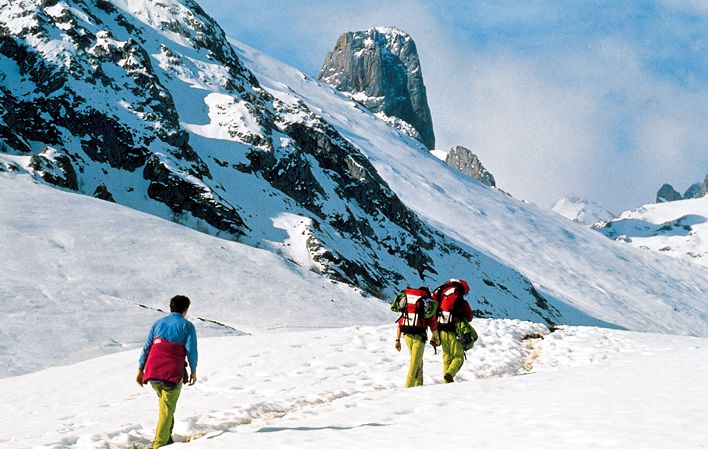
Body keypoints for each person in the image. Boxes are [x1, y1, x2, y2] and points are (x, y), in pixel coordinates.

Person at [136, 295, 198, 448]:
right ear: (186, 309)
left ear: (171, 307)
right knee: (167, 409)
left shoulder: (158, 323)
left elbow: (147, 347)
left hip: (152, 372)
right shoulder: (187, 326)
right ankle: (159, 444)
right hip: (171, 374)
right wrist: (193, 371)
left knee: (166, 408)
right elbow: (191, 350)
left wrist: (140, 369)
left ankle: (167, 439)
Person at [394, 287, 440, 388]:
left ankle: (418, 384)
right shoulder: (427, 305)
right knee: (414, 362)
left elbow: (400, 324)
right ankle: (408, 386)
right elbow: (433, 326)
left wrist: (397, 340)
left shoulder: (409, 305)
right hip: (419, 337)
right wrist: (437, 338)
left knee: (418, 360)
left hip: (406, 335)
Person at [433, 279, 474, 383]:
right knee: (458, 357)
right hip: (454, 331)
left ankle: (446, 382)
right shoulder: (461, 301)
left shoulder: (442, 298)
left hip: (441, 329)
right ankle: (449, 374)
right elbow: (469, 317)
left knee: (447, 356)